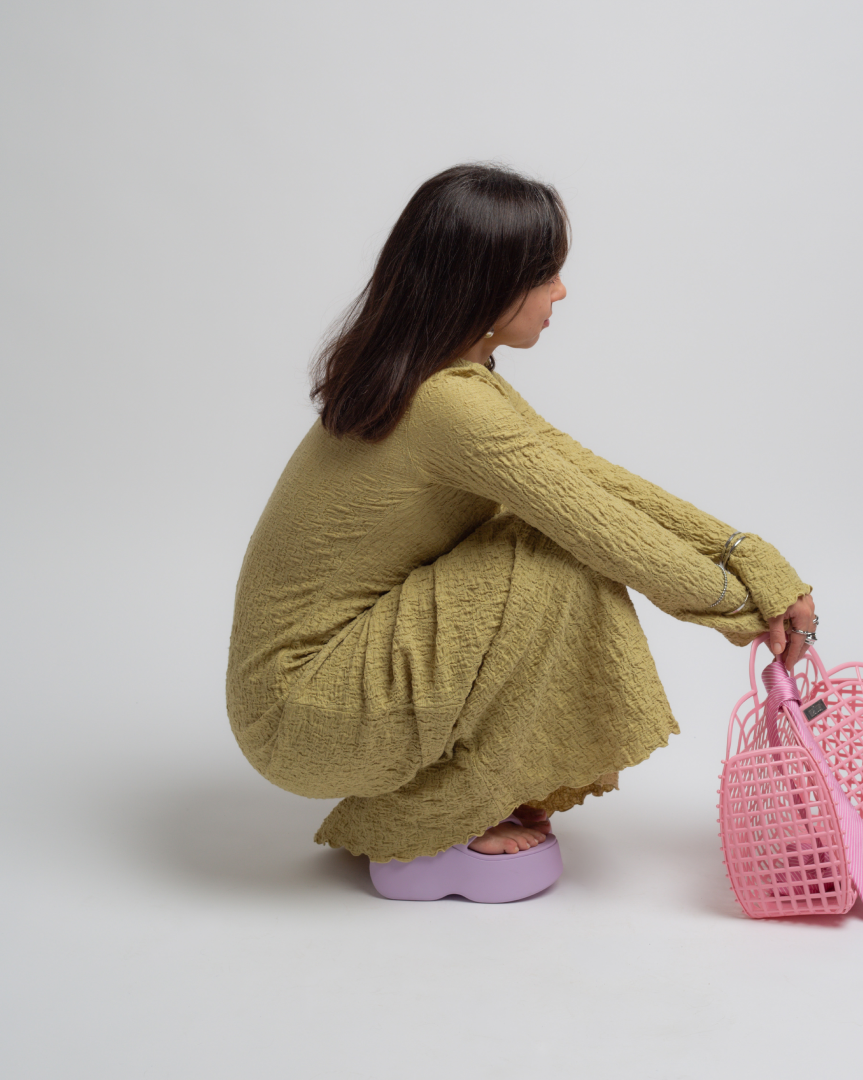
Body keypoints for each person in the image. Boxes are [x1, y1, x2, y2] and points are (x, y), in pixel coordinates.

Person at [226, 163, 816, 866]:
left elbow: (590, 480)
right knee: (554, 555)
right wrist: (747, 611)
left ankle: (462, 788)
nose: (560, 291)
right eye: (544, 274)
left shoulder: (442, 377)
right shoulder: (449, 404)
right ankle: (439, 812)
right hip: (302, 715)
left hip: (308, 693)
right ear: (486, 284)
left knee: (550, 538)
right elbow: (605, 530)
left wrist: (749, 557)